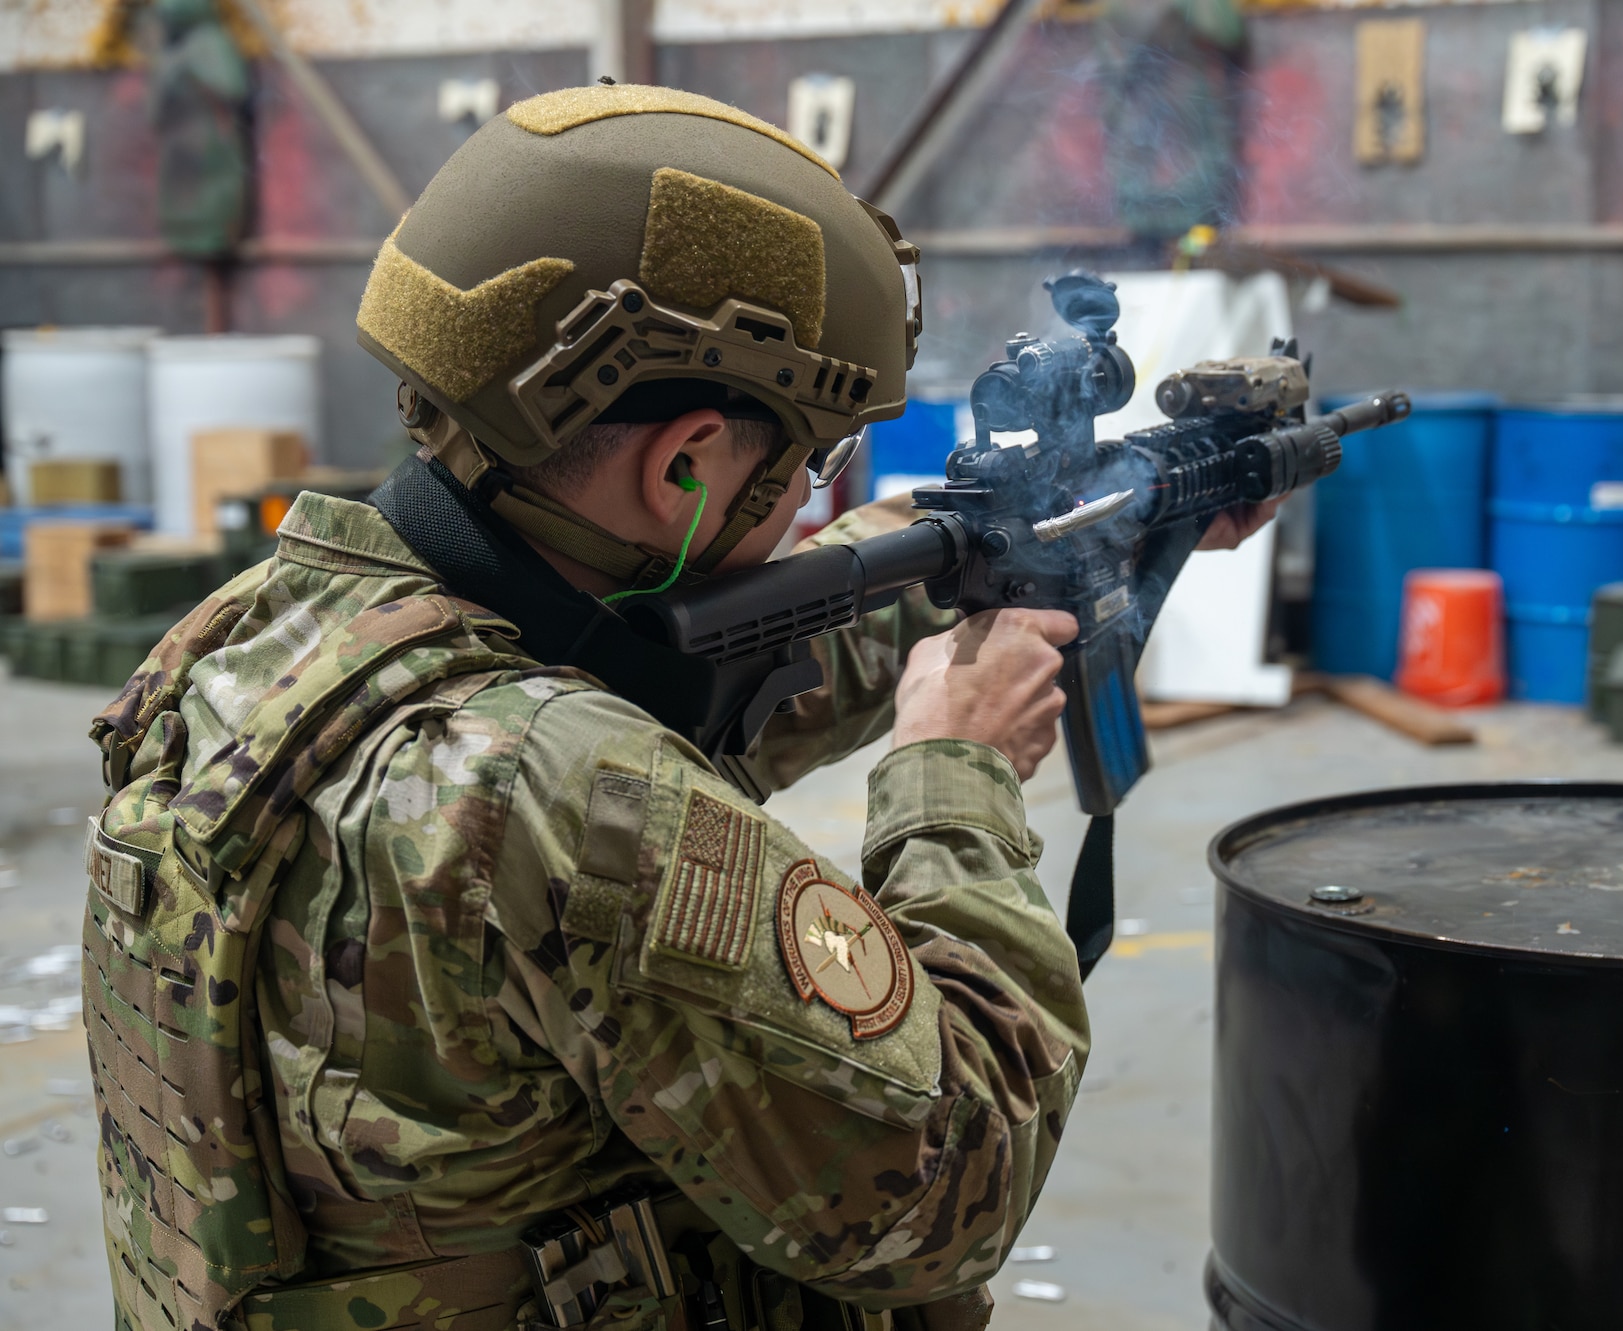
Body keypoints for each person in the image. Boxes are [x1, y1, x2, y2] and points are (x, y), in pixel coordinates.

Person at [82, 84, 1270, 1331]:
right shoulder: (556, 789)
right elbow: (944, 1184)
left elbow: (703, 675)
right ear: (687, 463)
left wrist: (1000, 551)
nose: (815, 506)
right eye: (811, 468)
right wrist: (954, 769)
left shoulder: (265, 633)